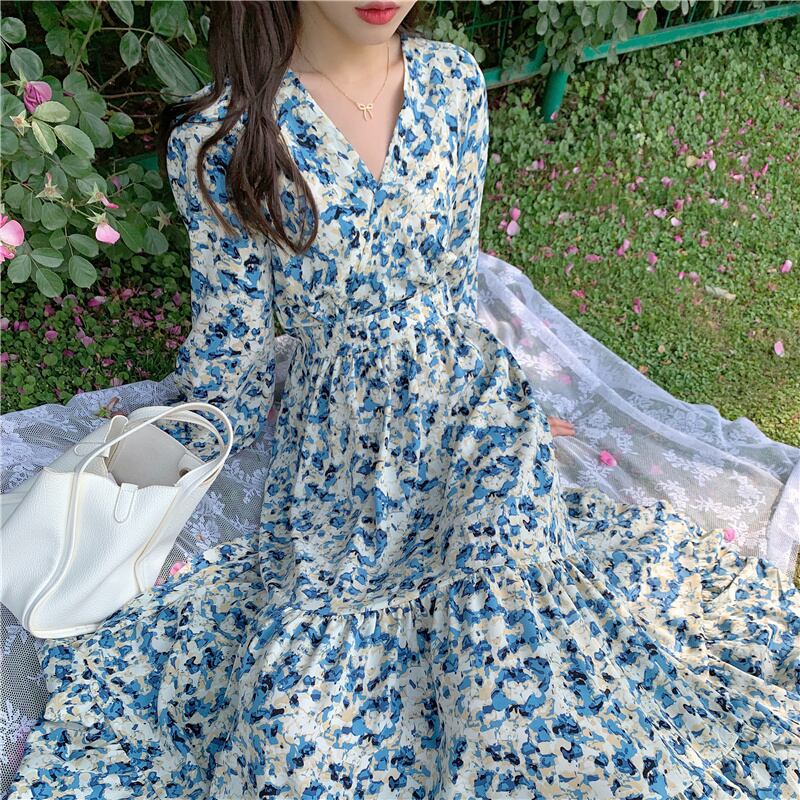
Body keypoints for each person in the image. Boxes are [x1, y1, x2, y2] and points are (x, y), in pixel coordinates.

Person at [8, 2, 799, 798]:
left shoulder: (452, 81)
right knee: (303, 715)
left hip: (472, 401)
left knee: (515, 626)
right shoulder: (225, 134)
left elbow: (455, 278)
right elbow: (233, 331)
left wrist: (512, 405)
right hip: (344, 432)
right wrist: (195, 437)